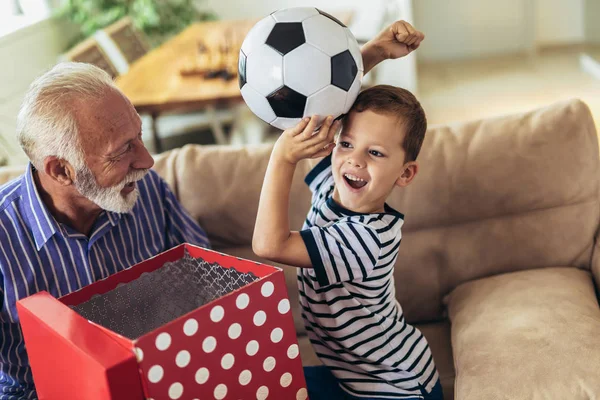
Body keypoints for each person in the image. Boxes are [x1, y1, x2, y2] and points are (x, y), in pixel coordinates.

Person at [0, 20, 419, 399]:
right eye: (124, 149)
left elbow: (207, 295)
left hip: (166, 374)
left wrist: (368, 57)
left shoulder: (146, 193)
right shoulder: (6, 241)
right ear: (61, 170)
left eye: (140, 137)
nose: (148, 161)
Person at [252, 25, 443, 400]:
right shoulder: (332, 186)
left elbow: (268, 244)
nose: (354, 160)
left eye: (375, 153)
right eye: (347, 144)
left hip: (396, 388)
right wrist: (371, 54)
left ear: (405, 173)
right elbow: (321, 108)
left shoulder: (366, 239)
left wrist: (282, 156)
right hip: (352, 378)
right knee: (267, 384)